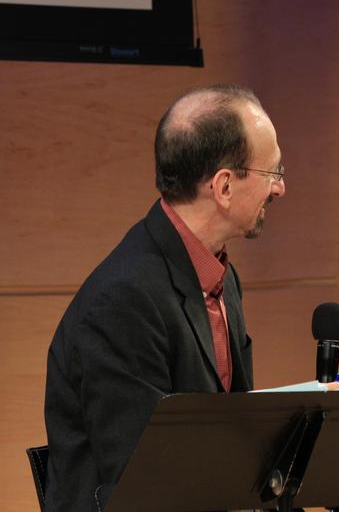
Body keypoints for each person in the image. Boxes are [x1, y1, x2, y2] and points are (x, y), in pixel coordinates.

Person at [44, 84, 286, 511]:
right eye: (274, 173)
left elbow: (237, 431)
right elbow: (142, 478)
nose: (280, 189)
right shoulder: (123, 300)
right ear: (224, 187)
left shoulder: (222, 277)